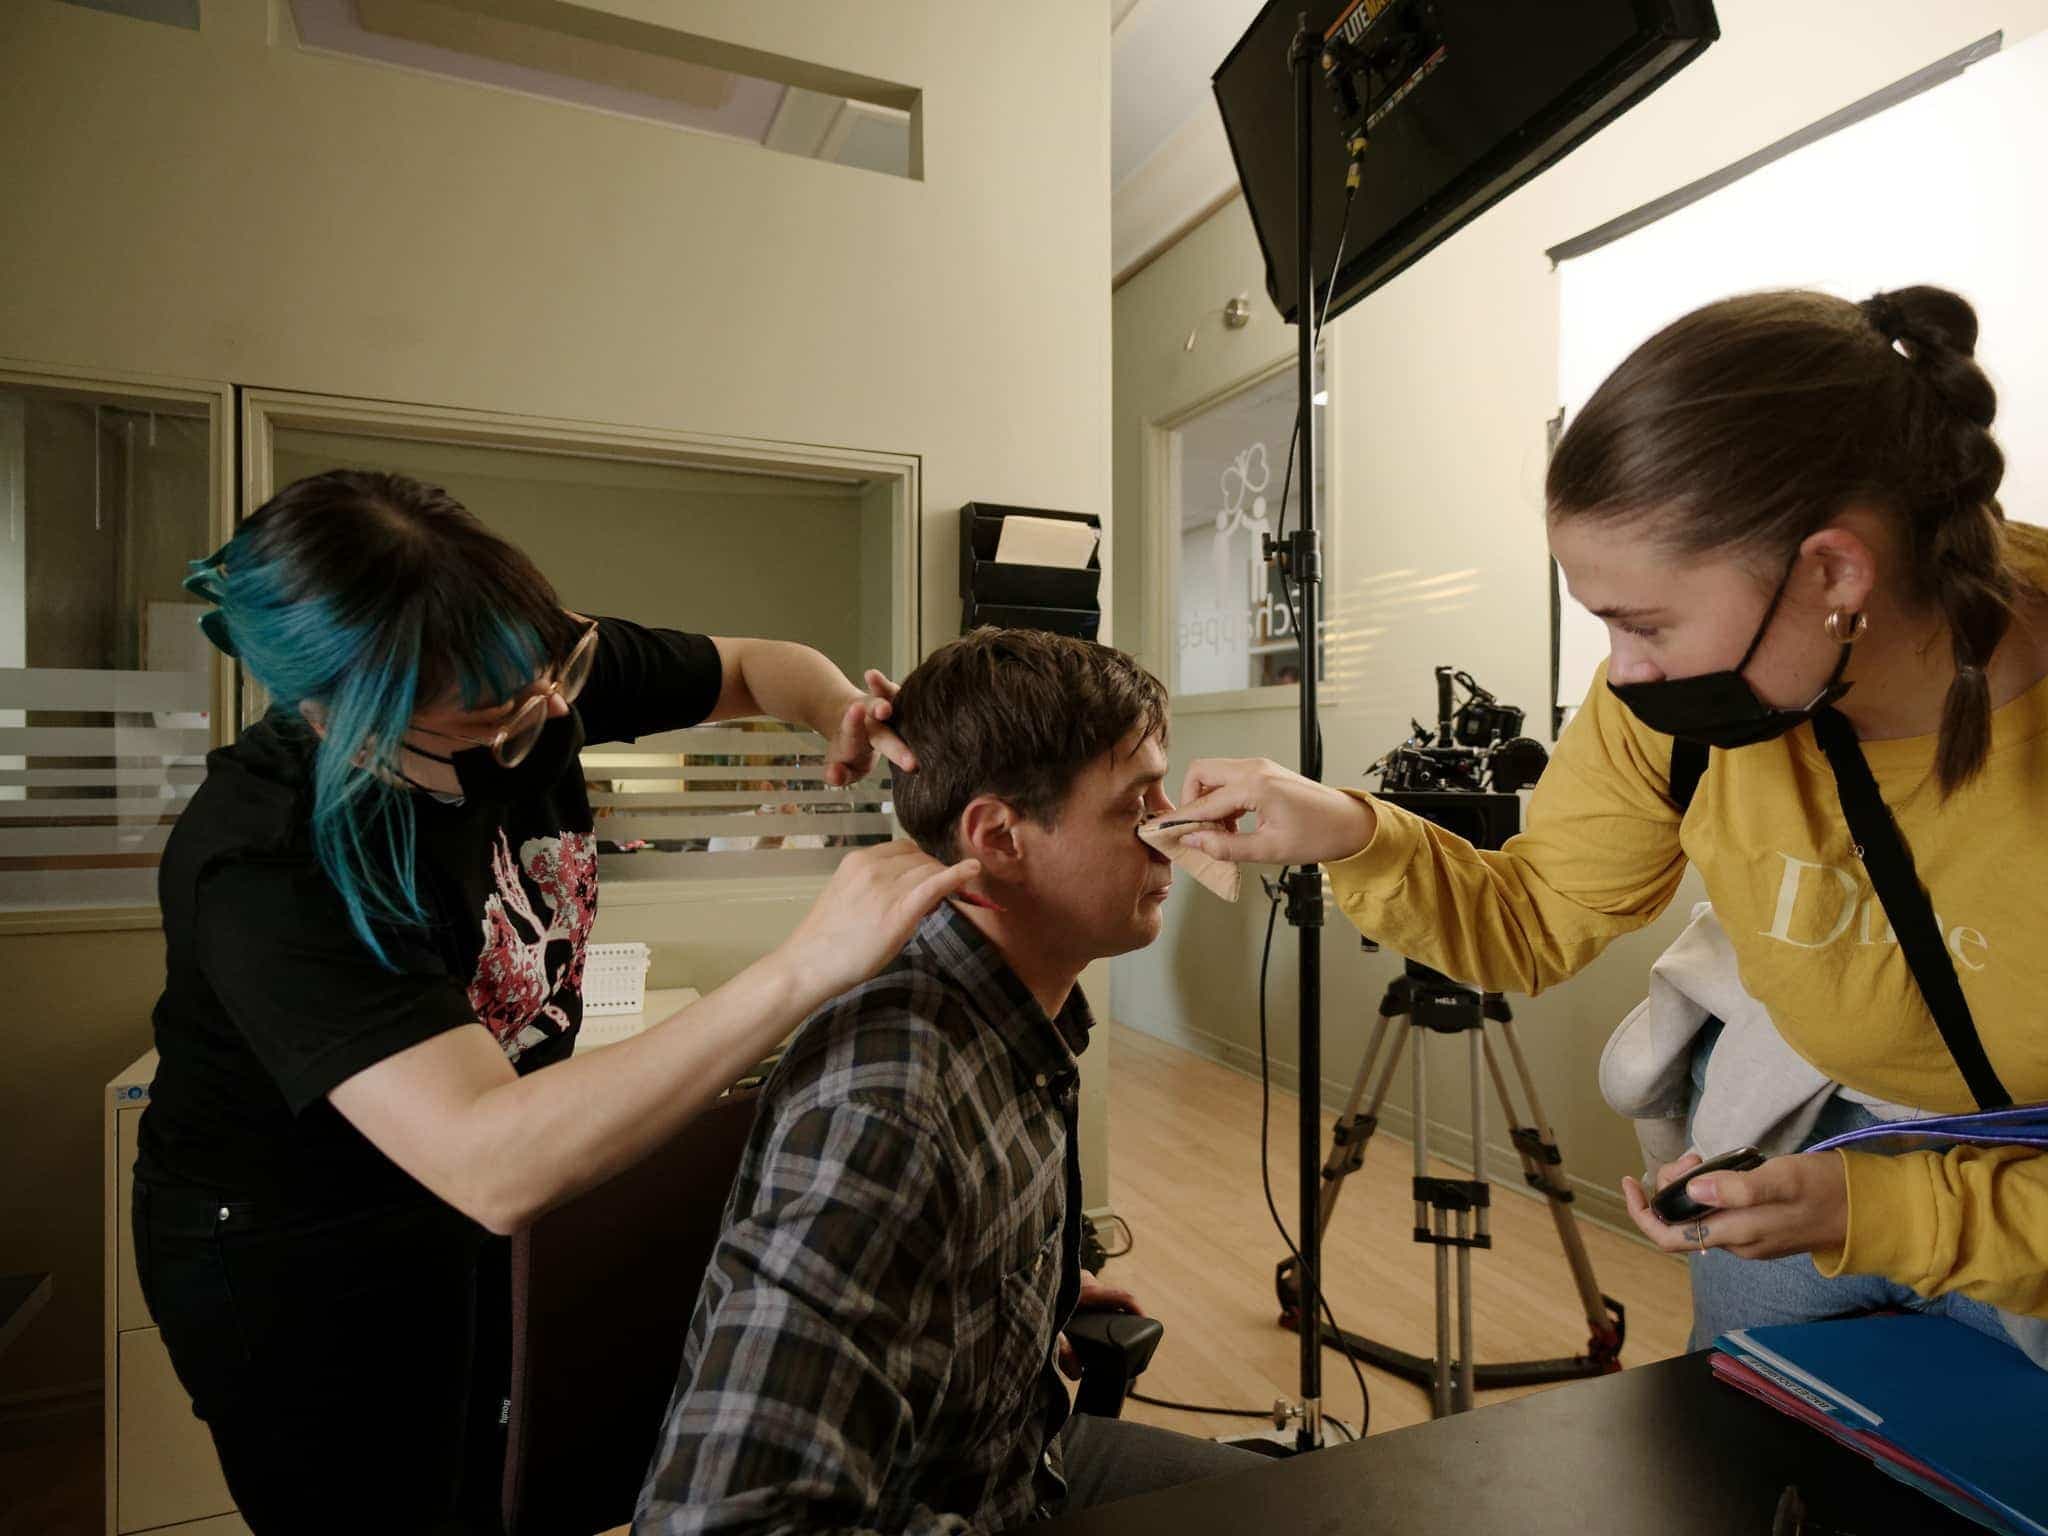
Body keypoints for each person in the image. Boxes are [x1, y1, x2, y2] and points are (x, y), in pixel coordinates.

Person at [1170, 286, 2048, 1351]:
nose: (1621, 676)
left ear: (1831, 571)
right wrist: (1350, 832)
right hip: (1799, 1164)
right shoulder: (1670, 715)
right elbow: (1535, 919)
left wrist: (1879, 1210)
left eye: (1646, 625)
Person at [136, 469, 979, 1535]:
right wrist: (805, 966)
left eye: (551, 674)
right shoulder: (269, 862)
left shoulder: (527, 665)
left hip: (464, 1213)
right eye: (495, 709)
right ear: (360, 708)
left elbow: (760, 668)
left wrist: (840, 712)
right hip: (299, 1251)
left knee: (510, 1484)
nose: (548, 709)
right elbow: (495, 1160)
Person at [636, 627, 1260, 1535]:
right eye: (1136, 803)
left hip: (1026, 1465)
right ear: (999, 837)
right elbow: (722, 1521)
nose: (1175, 831)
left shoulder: (1019, 1021)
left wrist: (1022, 1290)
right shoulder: (888, 1111)